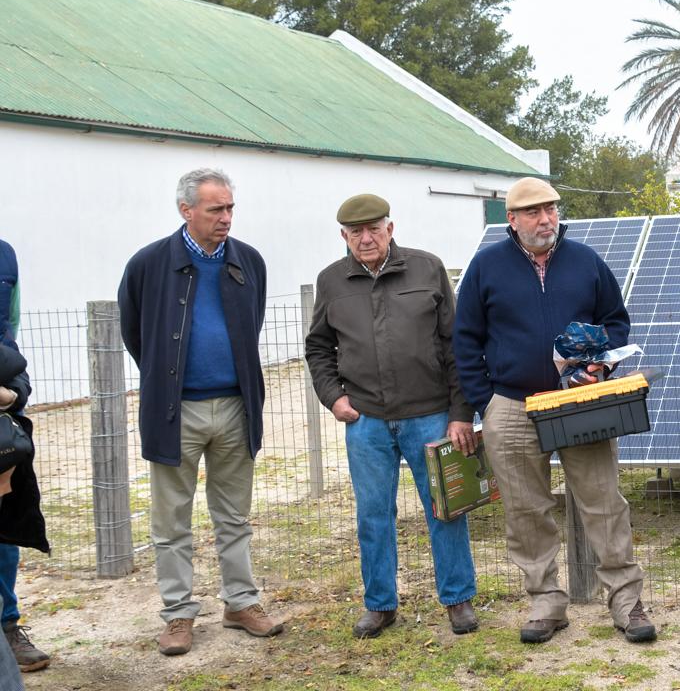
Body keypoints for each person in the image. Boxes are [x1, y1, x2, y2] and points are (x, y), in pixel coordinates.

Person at [452, 177, 656, 645]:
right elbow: (465, 341)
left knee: (604, 503)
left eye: (551, 210)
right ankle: (546, 603)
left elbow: (616, 322)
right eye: (534, 212)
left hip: (578, 401)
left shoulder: (585, 261)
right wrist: (486, 400)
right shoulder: (486, 267)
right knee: (526, 510)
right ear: (512, 220)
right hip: (512, 405)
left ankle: (626, 603)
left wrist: (600, 369)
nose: (546, 220)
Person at [118, 169, 282, 656]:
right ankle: (178, 614)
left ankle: (240, 603)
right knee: (172, 522)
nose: (226, 218)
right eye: (215, 209)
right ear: (186, 210)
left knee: (234, 516)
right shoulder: (149, 263)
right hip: (176, 411)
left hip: (236, 406)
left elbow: (250, 325)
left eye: (230, 208)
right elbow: (136, 333)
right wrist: (168, 377)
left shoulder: (248, 261)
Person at [304, 194, 480, 639]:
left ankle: (458, 599)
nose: (366, 238)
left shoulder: (427, 269)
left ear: (391, 227)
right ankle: (380, 604)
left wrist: (461, 413)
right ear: (343, 236)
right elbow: (319, 348)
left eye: (374, 228)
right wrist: (333, 398)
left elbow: (455, 346)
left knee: (445, 509)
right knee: (373, 515)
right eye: (355, 232)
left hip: (431, 415)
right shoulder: (331, 282)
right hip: (367, 420)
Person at [0, 241, 49, 674]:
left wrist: (15, 393)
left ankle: (6, 626)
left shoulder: (5, 255)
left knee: (4, 531)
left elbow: (8, 335)